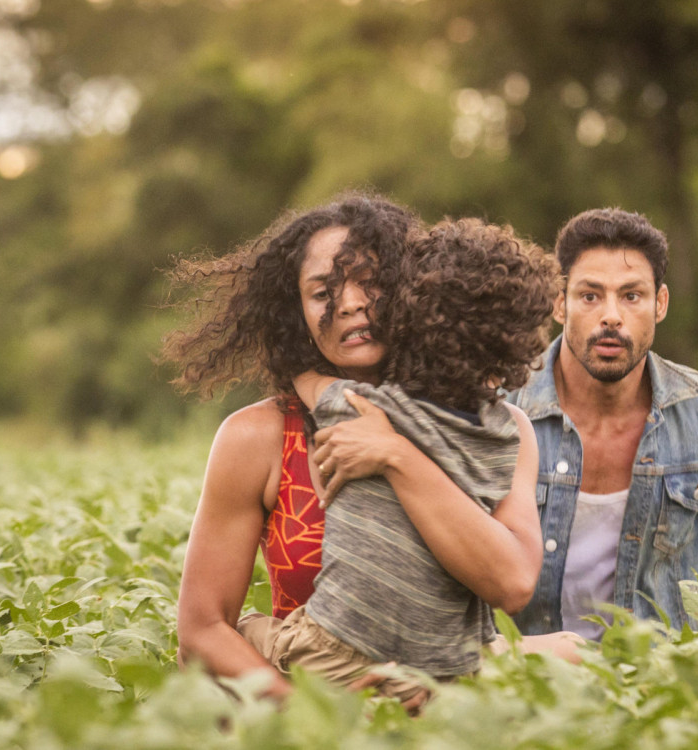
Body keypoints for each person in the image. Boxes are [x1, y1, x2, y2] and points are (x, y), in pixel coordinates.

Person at [162, 194, 554, 703]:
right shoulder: (256, 437)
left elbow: (513, 583)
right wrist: (322, 718)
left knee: (574, 657)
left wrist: (397, 454)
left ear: (414, 288)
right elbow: (201, 631)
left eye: (370, 283)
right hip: (310, 693)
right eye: (323, 292)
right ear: (295, 313)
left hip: (447, 704)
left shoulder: (496, 429)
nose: (348, 303)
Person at [507, 208, 698, 639]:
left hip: (661, 689)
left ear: (660, 303)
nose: (611, 316)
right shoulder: (500, 408)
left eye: (631, 296)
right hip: (523, 683)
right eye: (590, 296)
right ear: (559, 302)